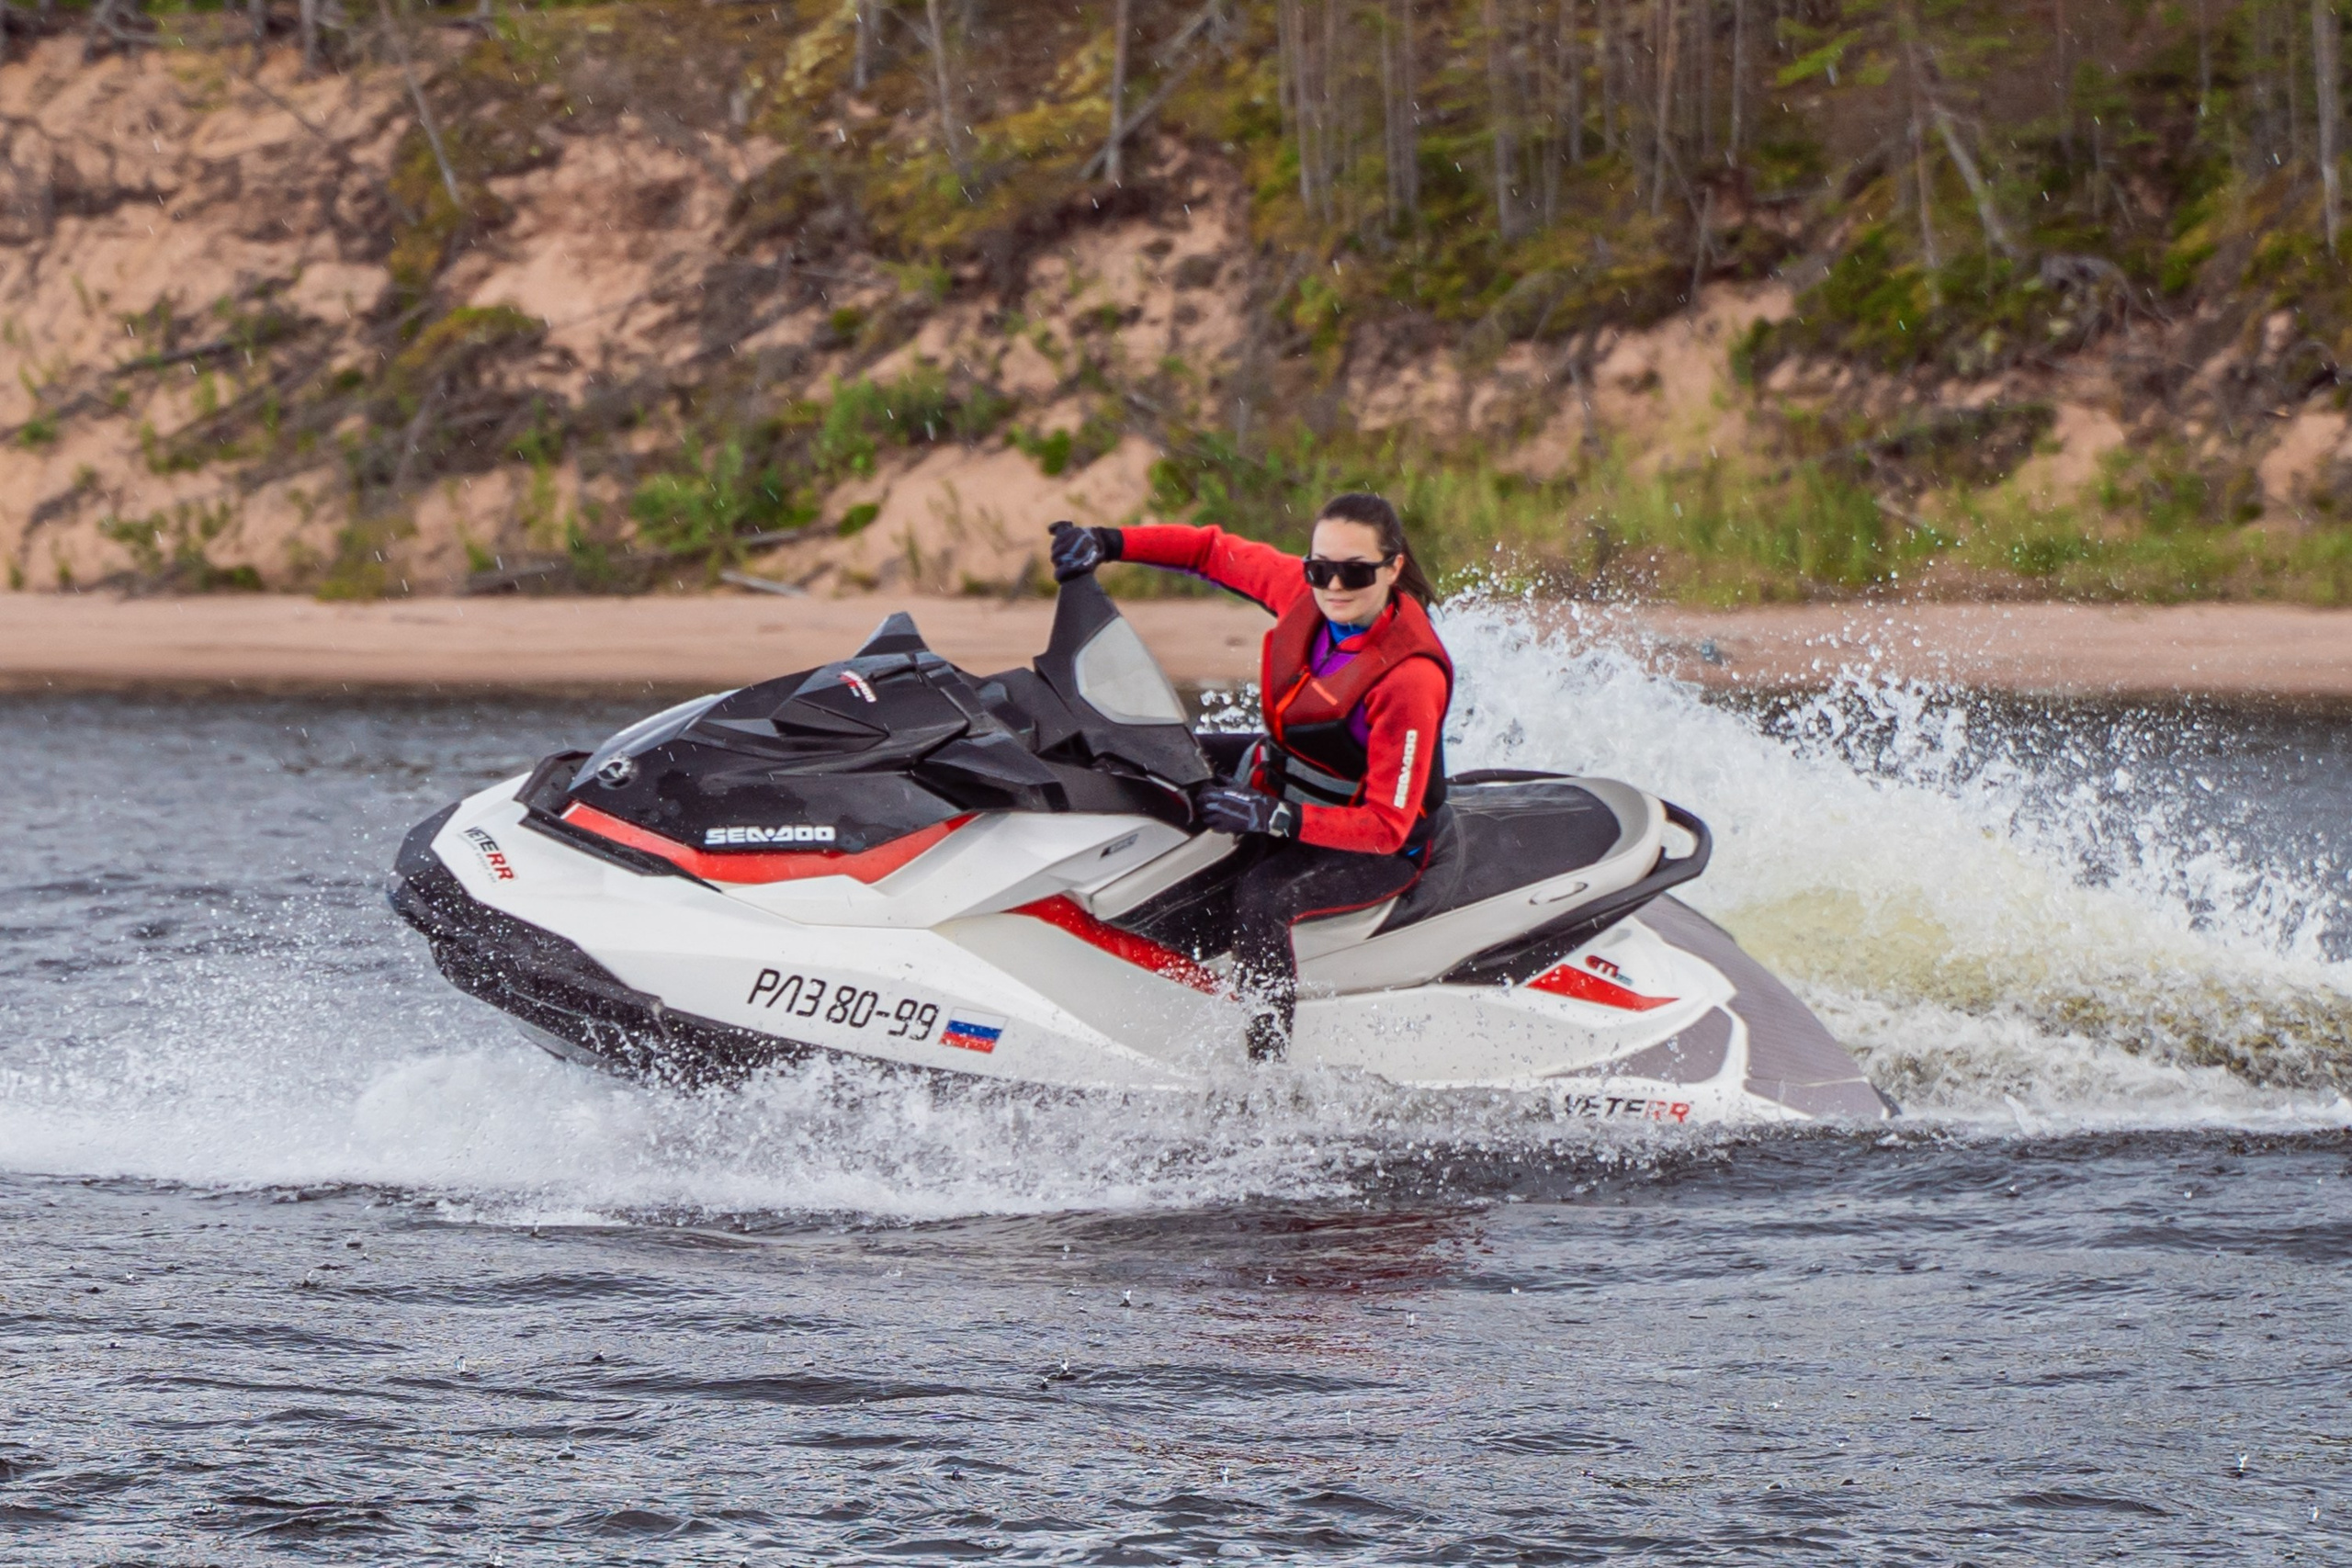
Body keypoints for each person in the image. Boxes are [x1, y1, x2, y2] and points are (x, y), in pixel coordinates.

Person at [1048, 494, 1453, 1063]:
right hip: (1288, 782)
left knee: (1261, 897)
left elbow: (1388, 826)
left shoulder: (1408, 680)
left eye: (1355, 571)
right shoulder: (1302, 594)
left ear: (1393, 568)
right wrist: (1107, 542)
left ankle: (1264, 1082)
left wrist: (1276, 817)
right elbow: (1209, 551)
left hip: (1376, 847)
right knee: (1144, 757)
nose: (1334, 586)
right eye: (1320, 568)